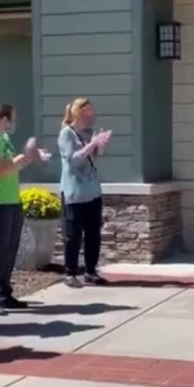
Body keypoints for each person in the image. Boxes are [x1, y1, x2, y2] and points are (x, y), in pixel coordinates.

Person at [0, 104, 51, 316]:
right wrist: (23, 155)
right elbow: (0, 169)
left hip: (10, 200)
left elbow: (13, 166)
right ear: (3, 119)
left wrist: (32, 156)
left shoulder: (4, 139)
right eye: (12, 118)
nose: (14, 123)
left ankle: (4, 293)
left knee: (10, 250)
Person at [58, 98, 112, 288]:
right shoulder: (67, 134)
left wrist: (101, 144)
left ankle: (91, 271)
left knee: (93, 233)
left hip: (92, 192)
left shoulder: (87, 132)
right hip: (74, 192)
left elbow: (93, 156)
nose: (92, 115)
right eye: (88, 111)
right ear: (78, 113)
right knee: (73, 235)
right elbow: (74, 159)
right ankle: (70, 273)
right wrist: (92, 144)